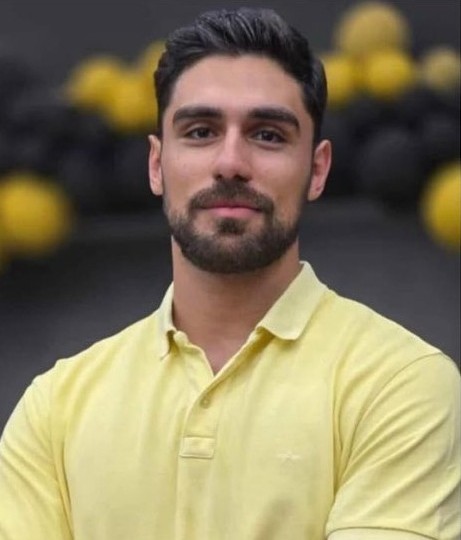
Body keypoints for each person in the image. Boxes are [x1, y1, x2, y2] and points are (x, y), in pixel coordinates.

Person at [0, 7, 460, 540]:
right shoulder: (56, 405)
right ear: (156, 165)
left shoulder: (401, 384)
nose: (231, 162)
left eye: (267, 135)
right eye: (200, 131)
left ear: (317, 169)